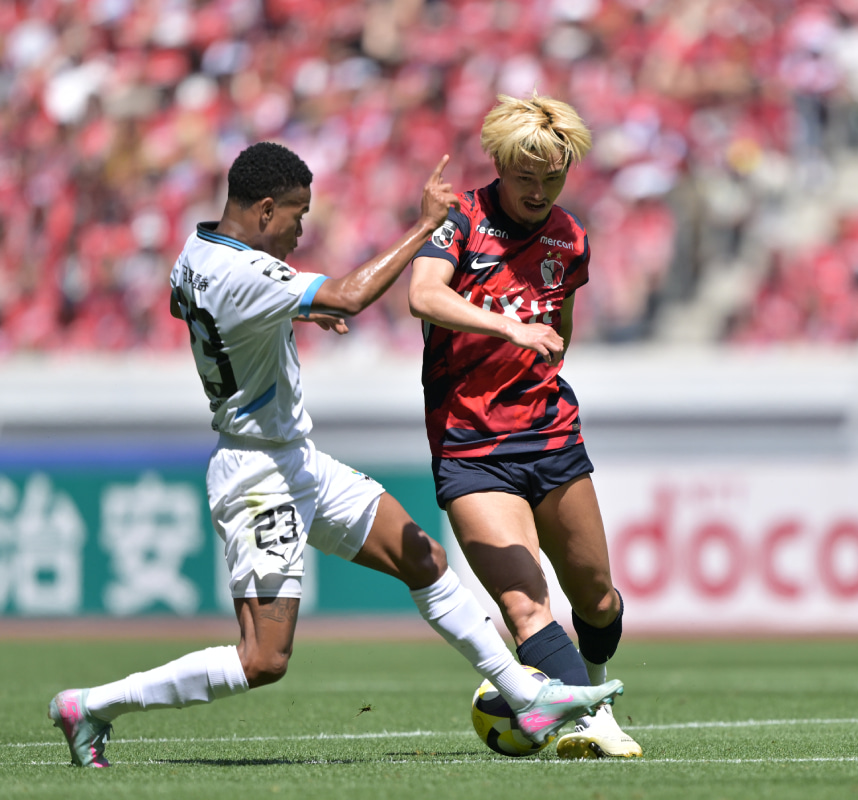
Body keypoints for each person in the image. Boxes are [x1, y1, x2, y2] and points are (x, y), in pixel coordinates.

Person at [46, 142, 622, 768]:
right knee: (263, 659)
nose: (300, 232)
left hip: (297, 459)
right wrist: (424, 227)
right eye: (298, 216)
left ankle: (525, 693)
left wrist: (285, 314)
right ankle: (92, 705)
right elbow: (348, 296)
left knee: (421, 557)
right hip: (257, 474)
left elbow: (196, 307)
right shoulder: (246, 275)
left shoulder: (194, 252)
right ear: (266, 210)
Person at [408, 94, 642, 759]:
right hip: (470, 446)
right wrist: (508, 327)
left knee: (597, 601)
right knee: (525, 604)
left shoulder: (570, 237)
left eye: (552, 178)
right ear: (499, 166)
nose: (538, 192)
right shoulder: (459, 221)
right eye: (524, 178)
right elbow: (423, 295)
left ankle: (589, 684)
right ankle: (594, 721)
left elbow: (560, 329)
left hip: (550, 435)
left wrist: (535, 350)